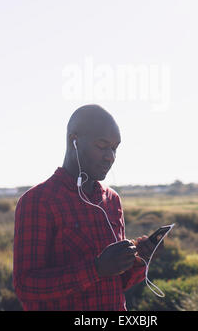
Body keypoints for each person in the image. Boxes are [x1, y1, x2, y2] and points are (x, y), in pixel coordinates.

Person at [13, 104, 159, 311]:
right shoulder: (39, 201)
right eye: (102, 146)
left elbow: (116, 283)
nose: (110, 156)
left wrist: (141, 259)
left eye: (114, 148)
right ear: (74, 141)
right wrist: (97, 268)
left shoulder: (112, 200)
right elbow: (26, 287)